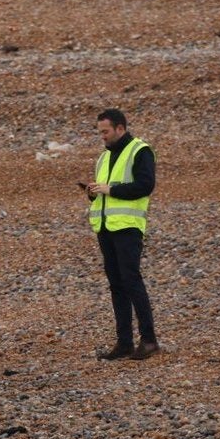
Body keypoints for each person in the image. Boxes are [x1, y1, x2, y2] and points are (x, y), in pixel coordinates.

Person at [87, 108, 160, 361]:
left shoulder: (140, 151)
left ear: (120, 128)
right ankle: (125, 342)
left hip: (128, 227)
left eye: (105, 132)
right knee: (116, 285)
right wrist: (94, 192)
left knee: (131, 281)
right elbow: (106, 191)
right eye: (100, 132)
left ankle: (149, 340)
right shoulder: (104, 157)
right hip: (106, 227)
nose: (102, 137)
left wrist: (111, 189)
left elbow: (145, 185)